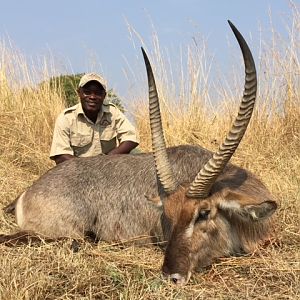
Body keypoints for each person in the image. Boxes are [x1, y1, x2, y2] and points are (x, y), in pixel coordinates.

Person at [50, 73, 139, 165]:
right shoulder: (66, 118)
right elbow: (60, 156)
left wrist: (107, 160)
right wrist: (92, 168)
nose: (92, 97)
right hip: (79, 170)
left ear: (104, 95)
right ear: (79, 93)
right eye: (87, 92)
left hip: (109, 164)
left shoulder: (113, 112)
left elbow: (131, 138)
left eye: (98, 93)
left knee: (136, 153)